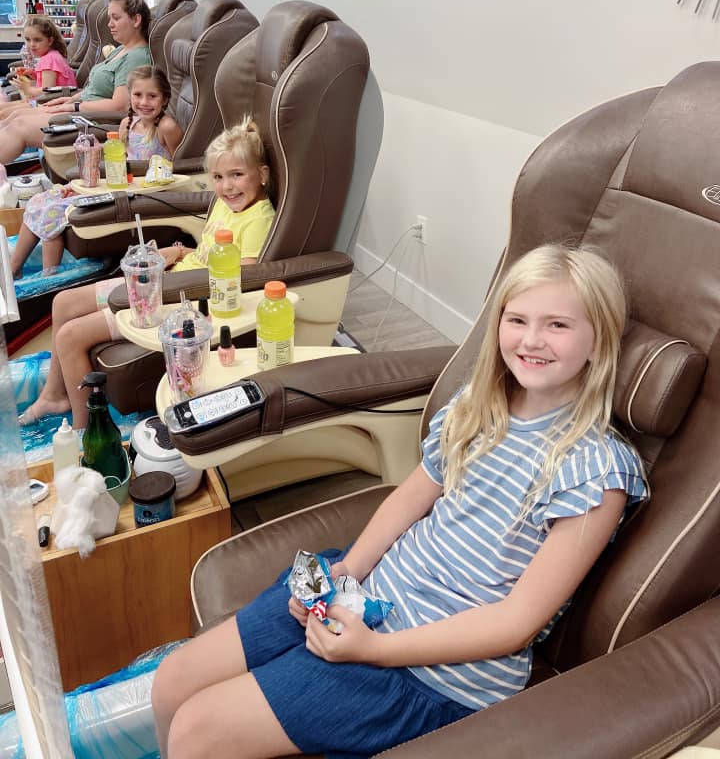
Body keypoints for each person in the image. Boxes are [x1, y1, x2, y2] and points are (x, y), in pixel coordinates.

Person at [150, 244, 649, 759]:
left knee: (195, 733)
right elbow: (409, 498)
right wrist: (346, 571)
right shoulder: (478, 408)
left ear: (599, 340)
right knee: (173, 681)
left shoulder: (594, 470)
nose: (531, 339)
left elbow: (516, 623)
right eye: (517, 319)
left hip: (430, 674)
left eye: (558, 325)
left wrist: (375, 649)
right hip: (365, 596)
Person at [17, 118, 274, 429]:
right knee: (63, 303)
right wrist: (179, 252)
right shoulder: (224, 204)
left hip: (178, 299)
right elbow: (209, 254)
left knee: (70, 336)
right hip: (169, 279)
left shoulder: (258, 219)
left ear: (262, 175)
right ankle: (55, 395)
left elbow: (240, 277)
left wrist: (176, 274)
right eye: (218, 177)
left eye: (237, 175)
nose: (227, 187)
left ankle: (84, 430)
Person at [10, 66, 183, 277]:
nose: (144, 102)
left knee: (51, 212)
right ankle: (13, 270)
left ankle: (48, 279)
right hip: (117, 184)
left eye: (152, 96)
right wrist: (84, 183)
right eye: (138, 95)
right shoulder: (128, 123)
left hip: (138, 194)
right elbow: (119, 162)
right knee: (40, 200)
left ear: (165, 99)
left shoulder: (167, 127)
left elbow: (178, 168)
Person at [0, 0, 151, 164]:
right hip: (82, 111)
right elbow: (95, 89)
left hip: (95, 122)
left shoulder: (136, 57)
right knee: (15, 117)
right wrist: (70, 99)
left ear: (136, 20)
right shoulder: (119, 50)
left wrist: (75, 106)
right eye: (109, 18)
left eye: (116, 18)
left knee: (19, 126)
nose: (109, 24)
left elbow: (119, 106)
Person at [0, 16, 77, 122]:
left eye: (37, 40)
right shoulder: (52, 55)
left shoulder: (49, 60)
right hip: (47, 101)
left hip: (51, 104)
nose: (31, 45)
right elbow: (53, 81)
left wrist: (28, 89)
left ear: (50, 41)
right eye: (28, 39)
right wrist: (33, 73)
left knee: (3, 114)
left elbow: (47, 91)